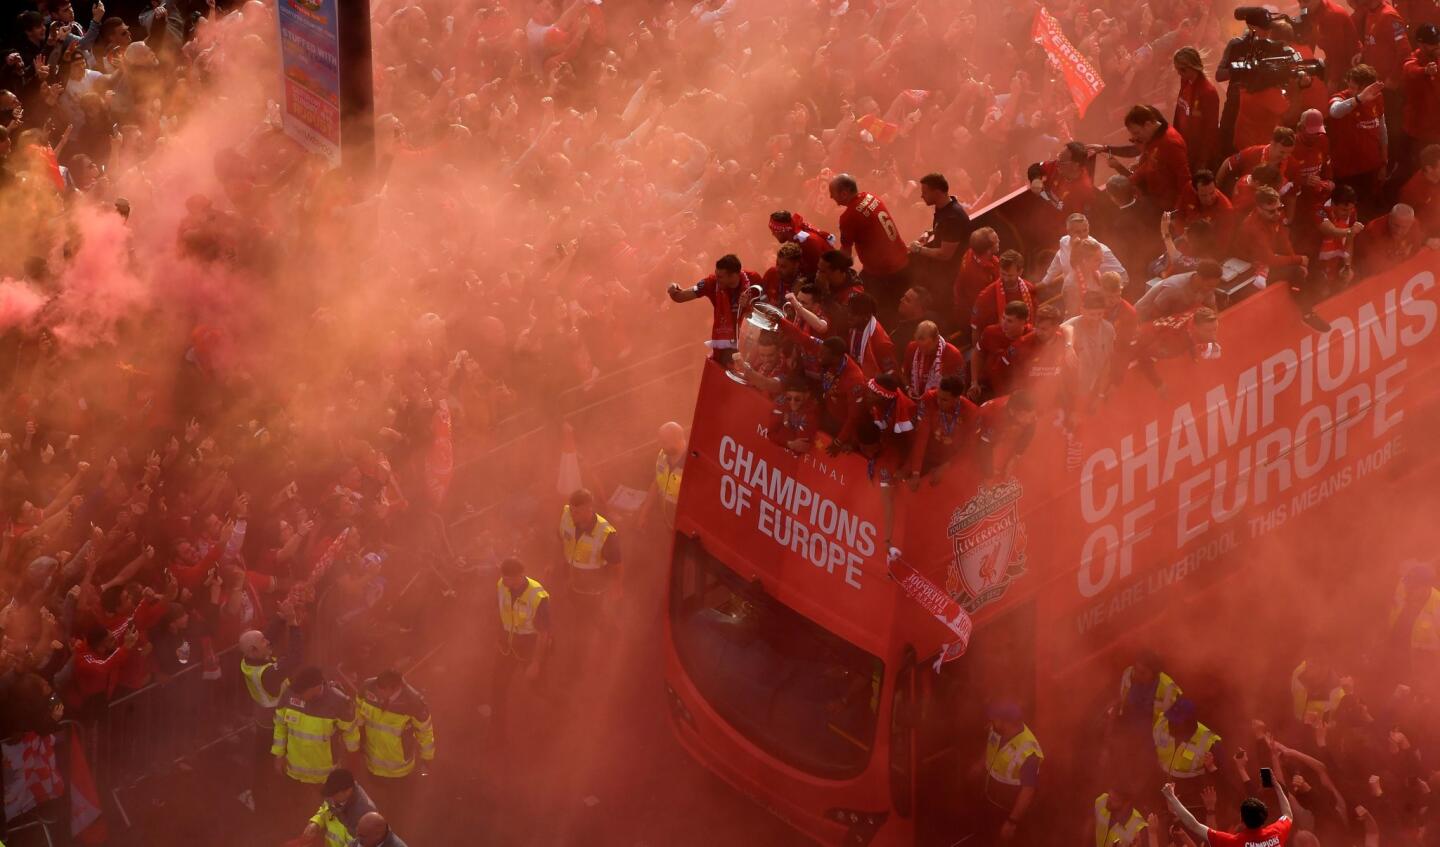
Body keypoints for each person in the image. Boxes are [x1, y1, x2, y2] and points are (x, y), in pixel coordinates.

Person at [490, 557, 551, 739]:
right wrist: (498, 635)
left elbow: (543, 634)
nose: (504, 582)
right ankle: (497, 730)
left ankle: (562, 709)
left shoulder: (538, 596)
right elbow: (500, 610)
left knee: (539, 688)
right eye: (503, 578)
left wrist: (536, 664)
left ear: (519, 576)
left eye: (508, 578)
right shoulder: (502, 584)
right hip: (507, 648)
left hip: (529, 648)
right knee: (497, 687)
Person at [1094, 105, 1194, 215]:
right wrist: (1129, 181)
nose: (1135, 138)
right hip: (1155, 201)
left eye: (1137, 133)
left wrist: (1179, 211)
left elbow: (1184, 179)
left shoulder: (1170, 143)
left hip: (1168, 207)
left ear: (1148, 125)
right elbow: (1149, 165)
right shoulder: (1153, 138)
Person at [828, 173, 909, 309]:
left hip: (884, 273)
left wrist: (832, 267)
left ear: (844, 193)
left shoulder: (849, 216)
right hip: (903, 262)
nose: (831, 197)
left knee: (872, 308)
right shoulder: (871, 197)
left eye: (833, 193)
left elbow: (846, 254)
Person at [271, 666, 359, 786]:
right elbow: (280, 726)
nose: (298, 695)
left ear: (317, 688)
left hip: (324, 776)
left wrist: (352, 760)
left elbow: (350, 731)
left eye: (302, 692)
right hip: (294, 772)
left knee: (324, 804)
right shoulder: (290, 694)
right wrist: (278, 755)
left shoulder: (339, 701)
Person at [1162, 767, 1293, 846]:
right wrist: (1276, 785)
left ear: (1242, 818)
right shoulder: (1276, 834)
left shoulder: (1233, 842)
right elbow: (1288, 814)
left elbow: (1194, 825)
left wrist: (1171, 797)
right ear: (1264, 816)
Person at [557, 488, 621, 646]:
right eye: (571, 510)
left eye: (577, 512)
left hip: (595, 589)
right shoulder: (566, 515)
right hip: (573, 582)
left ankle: (613, 641)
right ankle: (580, 645)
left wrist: (616, 587)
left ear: (588, 508)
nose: (572, 514)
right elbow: (560, 539)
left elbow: (616, 563)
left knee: (598, 617)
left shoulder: (606, 533)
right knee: (578, 617)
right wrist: (554, 565)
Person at [666, 254, 765, 357]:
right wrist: (673, 288)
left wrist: (749, 306)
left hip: (751, 345)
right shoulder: (711, 283)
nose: (717, 279)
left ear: (733, 275)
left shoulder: (754, 279)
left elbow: (767, 313)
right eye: (716, 274)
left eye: (720, 277)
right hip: (724, 347)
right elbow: (680, 297)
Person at [355, 669, 435, 791]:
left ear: (394, 688)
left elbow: (425, 732)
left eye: (381, 691)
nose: (377, 693)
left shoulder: (413, 703)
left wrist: (427, 758)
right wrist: (359, 735)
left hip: (399, 771)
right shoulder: (368, 687)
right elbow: (358, 707)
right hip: (372, 763)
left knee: (398, 798)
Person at [1329, 64, 1389, 218]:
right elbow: (1335, 112)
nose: (1351, 90)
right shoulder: (1341, 98)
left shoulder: (1378, 98)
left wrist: (1384, 161)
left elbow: (1382, 128)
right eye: (1350, 86)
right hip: (1347, 171)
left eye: (1356, 88)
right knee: (1344, 212)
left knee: (1366, 210)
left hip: (1370, 167)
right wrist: (1359, 98)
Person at [978, 700, 1043, 842]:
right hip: (990, 802)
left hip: (1006, 811)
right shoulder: (996, 729)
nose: (991, 721)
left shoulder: (1028, 753)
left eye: (995, 719)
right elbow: (991, 748)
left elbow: (1028, 791)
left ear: (1005, 723)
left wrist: (1011, 822)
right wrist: (979, 765)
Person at [907, 375, 976, 489]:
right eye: (938, 397)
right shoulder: (929, 398)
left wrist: (947, 467)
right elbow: (921, 438)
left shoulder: (971, 412)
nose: (938, 402)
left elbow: (969, 447)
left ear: (957, 398)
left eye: (944, 400)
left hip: (953, 460)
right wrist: (915, 472)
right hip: (928, 456)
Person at [1153, 698, 1222, 811]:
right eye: (1171, 720)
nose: (1171, 724)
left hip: (1188, 795)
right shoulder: (1162, 722)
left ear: (1189, 722)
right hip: (1159, 784)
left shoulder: (1210, 742)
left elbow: (1219, 779)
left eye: (1176, 722)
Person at [908, 172, 971, 292]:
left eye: (925, 192)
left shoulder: (953, 218)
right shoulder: (943, 207)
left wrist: (918, 249)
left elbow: (945, 255)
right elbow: (943, 227)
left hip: (952, 277)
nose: (922, 196)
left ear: (937, 193)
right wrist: (929, 232)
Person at [970, 301, 1035, 403]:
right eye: (1003, 318)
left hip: (1019, 391)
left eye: (1009, 321)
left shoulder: (1033, 336)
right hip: (990, 388)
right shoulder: (990, 332)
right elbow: (978, 354)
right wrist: (974, 382)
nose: (1004, 323)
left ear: (1024, 322)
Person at [1062, 291, 1116, 411]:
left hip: (1093, 390)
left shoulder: (1108, 329)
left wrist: (1100, 396)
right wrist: (1069, 346)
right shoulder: (1072, 325)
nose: (1096, 318)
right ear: (1082, 310)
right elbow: (1065, 328)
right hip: (1069, 394)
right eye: (1091, 314)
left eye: (1099, 314)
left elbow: (1107, 364)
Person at [301, 768, 377, 847]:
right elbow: (325, 809)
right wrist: (316, 823)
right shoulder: (334, 793)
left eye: (334, 795)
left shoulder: (365, 814)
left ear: (348, 791)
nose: (331, 798)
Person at [1172, 47, 1220, 171]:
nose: (1178, 73)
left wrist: (1203, 160)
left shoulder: (1208, 92)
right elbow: (1179, 111)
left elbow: (1211, 129)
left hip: (1197, 153)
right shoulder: (1185, 81)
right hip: (1183, 147)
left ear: (1192, 67)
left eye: (1181, 70)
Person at [972, 251, 1037, 341]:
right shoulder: (986, 296)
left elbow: (1035, 318)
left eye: (1010, 275)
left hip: (1025, 342)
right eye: (1003, 274)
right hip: (997, 346)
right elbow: (976, 329)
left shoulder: (1029, 289)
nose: (1006, 279)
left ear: (1020, 272)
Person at [953, 227, 1002, 336]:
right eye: (996, 241)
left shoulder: (972, 252)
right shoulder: (979, 277)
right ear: (988, 250)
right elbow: (984, 304)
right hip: (974, 318)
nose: (999, 241)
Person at [1135, 260, 1223, 321]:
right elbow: (1155, 313)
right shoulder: (1175, 288)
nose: (1212, 290)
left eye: (1214, 286)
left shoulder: (1207, 288)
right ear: (1199, 278)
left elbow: (1212, 307)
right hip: (1142, 317)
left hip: (1168, 315)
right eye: (1210, 286)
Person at [1355, 202, 1424, 275]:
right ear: (1389, 218)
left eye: (1404, 227)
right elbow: (1371, 263)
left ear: (1411, 223)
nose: (1399, 231)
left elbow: (1416, 249)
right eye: (1396, 225)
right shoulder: (1374, 229)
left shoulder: (1415, 225)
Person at [902, 320, 963, 400]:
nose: (923, 350)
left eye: (926, 347)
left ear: (936, 339)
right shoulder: (912, 347)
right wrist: (907, 388)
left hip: (940, 403)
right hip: (914, 399)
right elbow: (905, 374)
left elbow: (958, 390)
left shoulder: (953, 355)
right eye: (920, 346)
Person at [641, 421, 685, 530]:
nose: (660, 445)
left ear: (678, 441)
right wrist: (644, 513)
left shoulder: (690, 465)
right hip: (666, 519)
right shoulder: (663, 454)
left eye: (664, 442)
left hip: (681, 525)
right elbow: (656, 483)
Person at [844, 291, 897, 377]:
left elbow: (891, 373)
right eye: (848, 312)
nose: (848, 316)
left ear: (866, 317)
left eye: (853, 314)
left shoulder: (881, 342)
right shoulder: (853, 330)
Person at [767, 210, 833, 278]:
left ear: (781, 230)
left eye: (773, 231)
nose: (773, 234)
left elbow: (817, 271)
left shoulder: (806, 242)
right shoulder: (797, 238)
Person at [768, 378, 821, 454]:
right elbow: (771, 434)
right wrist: (789, 443)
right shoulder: (781, 402)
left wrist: (785, 425)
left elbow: (800, 447)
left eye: (797, 399)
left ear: (806, 396)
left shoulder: (811, 411)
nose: (792, 402)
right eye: (789, 398)